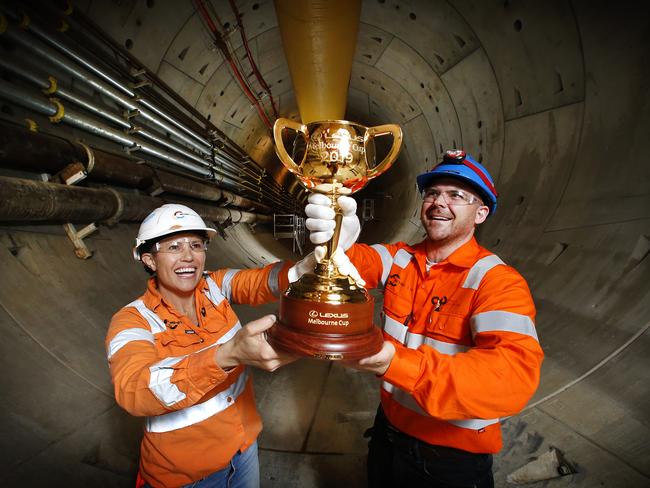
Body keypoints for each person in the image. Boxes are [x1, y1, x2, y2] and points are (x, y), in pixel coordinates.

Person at [305, 150, 544, 487]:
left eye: (456, 195)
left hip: (449, 459)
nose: (438, 202)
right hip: (387, 434)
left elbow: (510, 381)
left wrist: (392, 361)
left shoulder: (496, 281)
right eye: (432, 193)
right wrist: (336, 242)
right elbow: (355, 264)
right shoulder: (401, 258)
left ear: (481, 213)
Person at [105, 203, 299, 488]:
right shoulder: (132, 320)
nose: (188, 256)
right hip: (186, 476)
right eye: (173, 247)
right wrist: (227, 355)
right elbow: (134, 389)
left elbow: (262, 281)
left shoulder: (215, 286)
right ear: (149, 260)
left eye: (196, 245)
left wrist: (304, 269)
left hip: (243, 451)